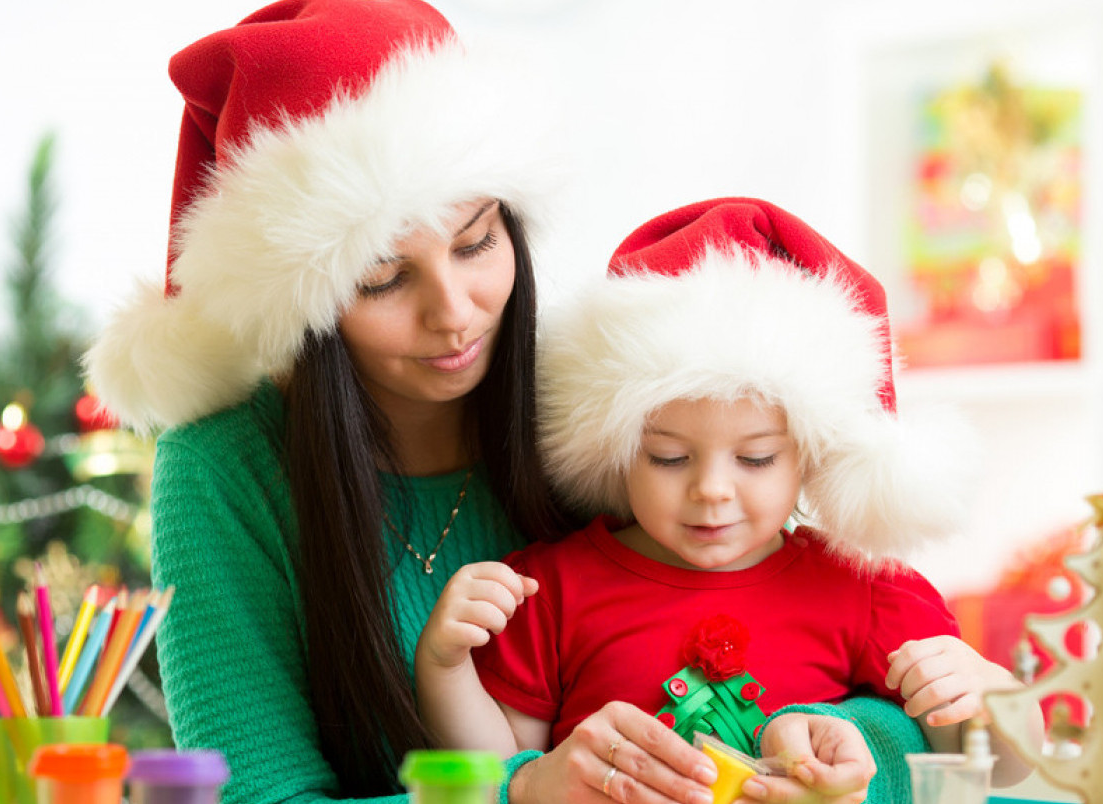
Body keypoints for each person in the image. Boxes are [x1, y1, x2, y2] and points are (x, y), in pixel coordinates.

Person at [85, 1, 941, 800]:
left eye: (476, 242)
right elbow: (257, 793)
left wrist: (850, 739)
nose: (455, 314)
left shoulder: (589, 405)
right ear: (299, 304)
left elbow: (795, 612)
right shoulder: (225, 470)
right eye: (384, 279)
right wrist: (517, 790)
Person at [416, 197, 1038, 802]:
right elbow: (502, 775)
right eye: (668, 457)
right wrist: (444, 666)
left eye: (756, 458)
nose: (711, 489)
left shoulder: (861, 588)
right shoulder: (552, 591)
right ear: (613, 446)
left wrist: (990, 693)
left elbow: (993, 769)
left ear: (811, 455)